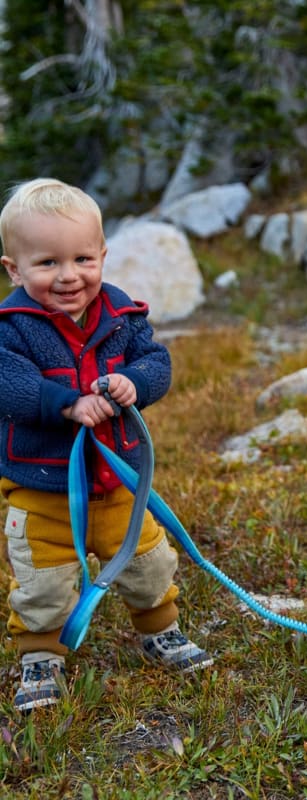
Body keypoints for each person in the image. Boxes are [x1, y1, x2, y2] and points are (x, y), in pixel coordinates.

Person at [0, 178, 212, 712]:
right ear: (14, 270)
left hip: (118, 482)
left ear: (102, 255)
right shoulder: (11, 329)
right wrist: (66, 403)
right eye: (47, 263)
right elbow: (9, 383)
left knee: (149, 564)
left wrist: (134, 383)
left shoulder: (122, 316)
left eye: (82, 259)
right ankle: (40, 656)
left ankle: (160, 630)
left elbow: (156, 363)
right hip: (42, 489)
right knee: (42, 580)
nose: (69, 276)